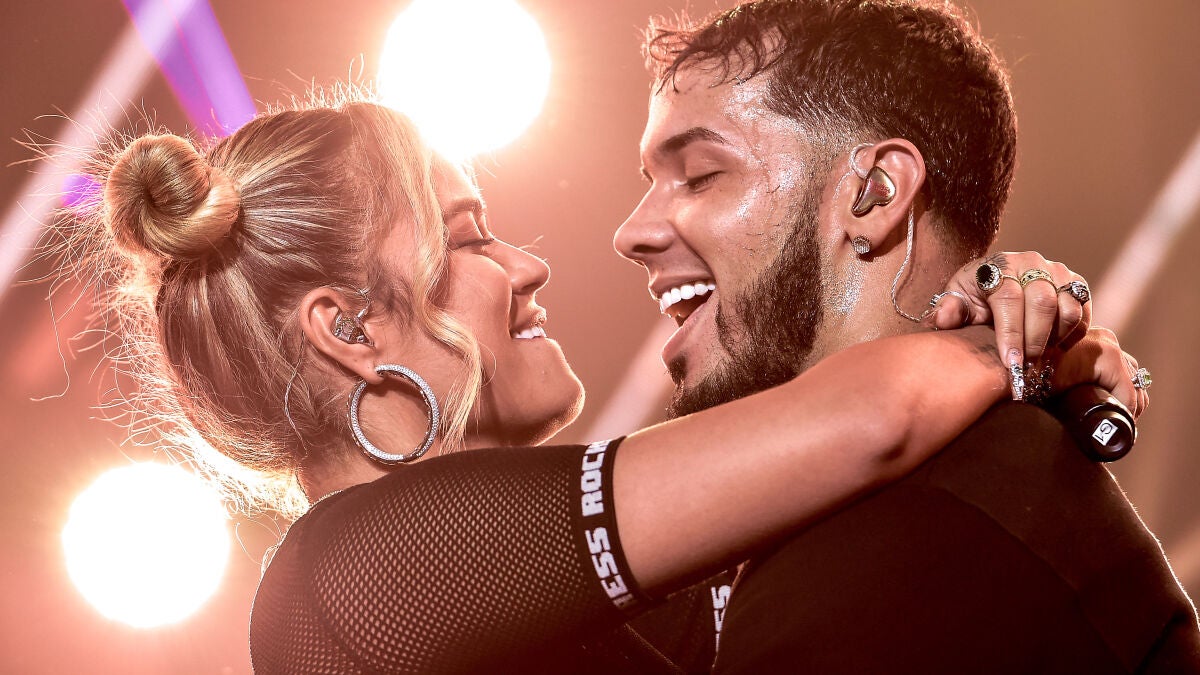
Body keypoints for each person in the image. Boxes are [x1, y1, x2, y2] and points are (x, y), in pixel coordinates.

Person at [61, 93, 1130, 672]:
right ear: (348, 328)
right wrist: (1016, 334)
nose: (528, 266)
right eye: (469, 239)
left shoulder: (579, 598)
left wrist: (1020, 326)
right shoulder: (348, 573)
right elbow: (878, 419)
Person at [612, 0, 1200, 672]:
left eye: (700, 175)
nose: (631, 232)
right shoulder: (788, 527)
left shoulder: (938, 534)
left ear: (878, 192)